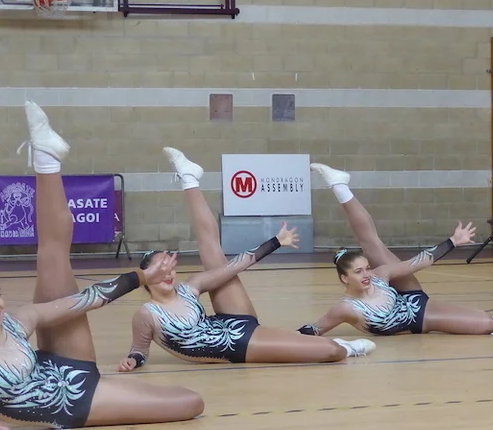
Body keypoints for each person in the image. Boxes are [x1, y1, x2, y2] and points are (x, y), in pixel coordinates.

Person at [0, 102, 204, 430]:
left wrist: (141, 278)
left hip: (69, 364)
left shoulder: (18, 322)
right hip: (77, 404)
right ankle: (113, 393)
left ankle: (46, 157)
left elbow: (87, 299)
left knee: (53, 252)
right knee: (191, 403)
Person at [117, 148, 376, 372]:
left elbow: (237, 265)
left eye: (170, 266)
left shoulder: (189, 288)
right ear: (146, 278)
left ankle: (189, 177)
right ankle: (341, 346)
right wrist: (133, 360)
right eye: (160, 269)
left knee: (213, 252)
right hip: (237, 346)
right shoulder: (146, 314)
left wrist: (276, 241)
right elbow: (140, 350)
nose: (168, 273)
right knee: (333, 352)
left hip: (235, 321)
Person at [296, 162, 493, 338]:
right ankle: (339, 185)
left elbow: (417, 262)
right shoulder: (345, 309)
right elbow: (315, 329)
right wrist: (285, 338)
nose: (367, 275)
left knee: (371, 242)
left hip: (415, 300)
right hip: (420, 320)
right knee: (487, 324)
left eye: (367, 268)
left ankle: (339, 186)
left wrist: (452, 241)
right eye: (358, 272)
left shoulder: (379, 275)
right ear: (344, 278)